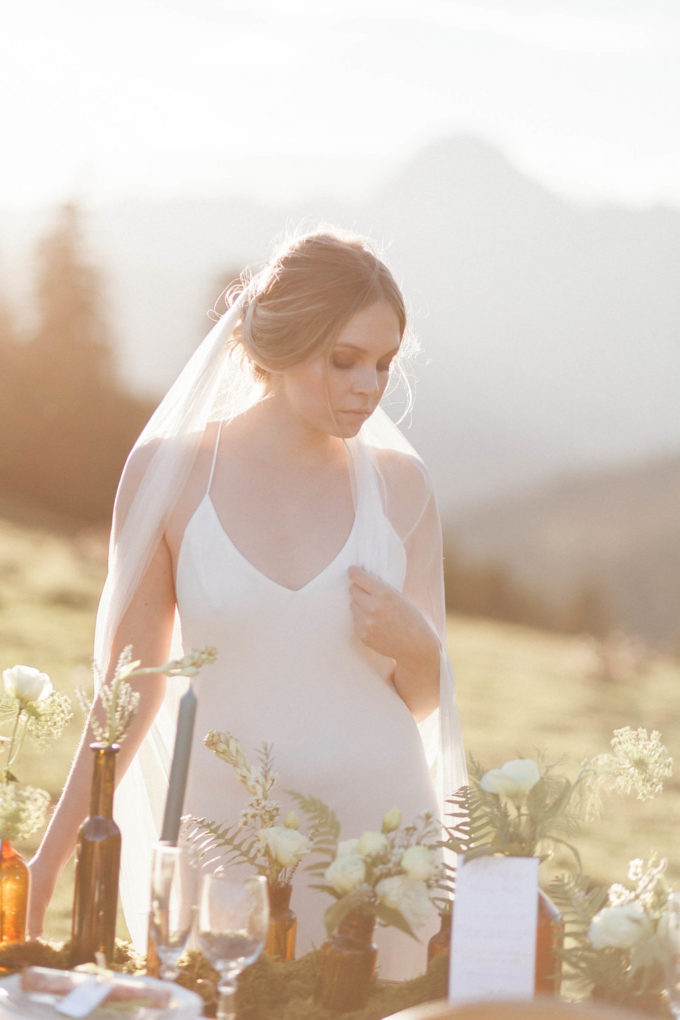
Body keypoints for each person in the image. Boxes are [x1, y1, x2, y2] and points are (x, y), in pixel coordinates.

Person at [28, 228, 466, 979]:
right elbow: (126, 693)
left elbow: (419, 702)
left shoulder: (402, 488)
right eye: (346, 360)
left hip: (378, 848)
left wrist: (421, 647)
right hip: (220, 847)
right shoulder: (171, 473)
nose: (370, 385)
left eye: (384, 364)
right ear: (283, 344)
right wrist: (46, 863)